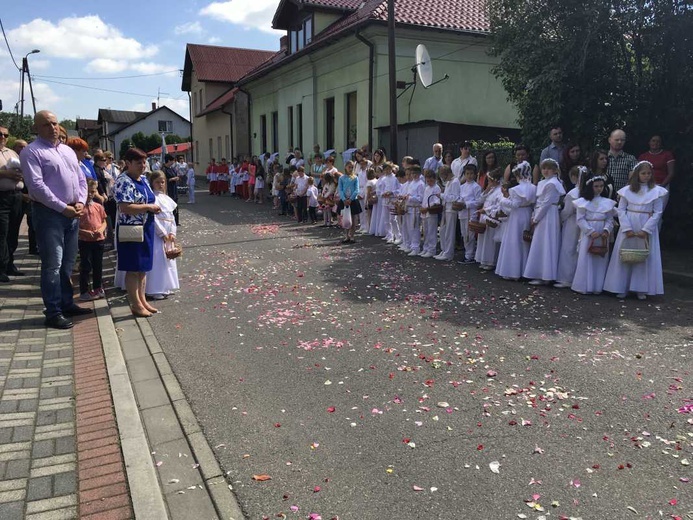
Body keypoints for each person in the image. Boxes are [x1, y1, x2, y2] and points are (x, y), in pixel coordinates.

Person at [20, 110, 91, 329]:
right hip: (49, 214)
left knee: (68, 263)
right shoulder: (32, 152)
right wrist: (62, 208)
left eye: (54, 123)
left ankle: (66, 303)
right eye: (46, 124)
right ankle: (52, 312)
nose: (52, 128)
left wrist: (80, 200)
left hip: (72, 213)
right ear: (36, 128)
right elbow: (37, 187)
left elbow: (81, 179)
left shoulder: (68, 151)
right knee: (53, 265)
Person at [603, 161, 667, 300]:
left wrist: (646, 229)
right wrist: (626, 227)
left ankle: (640, 288)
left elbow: (657, 212)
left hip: (646, 223)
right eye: (643, 173)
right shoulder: (628, 190)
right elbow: (621, 209)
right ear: (637, 174)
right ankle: (622, 286)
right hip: (629, 223)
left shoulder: (656, 191)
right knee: (625, 254)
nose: (646, 176)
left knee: (643, 255)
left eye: (649, 173)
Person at [114, 147, 161, 317]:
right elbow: (125, 207)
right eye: (138, 162)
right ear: (128, 163)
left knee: (142, 268)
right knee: (133, 268)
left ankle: (142, 300)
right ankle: (135, 304)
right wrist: (148, 207)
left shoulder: (143, 179)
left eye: (144, 162)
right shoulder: (124, 181)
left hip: (145, 227)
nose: (143, 165)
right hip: (131, 230)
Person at [571, 174, 617, 295]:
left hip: (602, 234)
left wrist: (607, 230)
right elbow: (580, 219)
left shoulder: (607, 202)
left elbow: (609, 219)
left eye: (601, 186)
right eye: (596, 186)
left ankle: (597, 286)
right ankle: (584, 285)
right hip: (589, 232)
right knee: (586, 257)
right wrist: (590, 231)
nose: (599, 189)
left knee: (600, 258)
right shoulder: (583, 202)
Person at [523, 158, 566, 285]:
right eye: (544, 168)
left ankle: (546, 275)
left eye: (549, 168)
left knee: (546, 242)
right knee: (540, 243)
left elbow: (547, 203)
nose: (546, 171)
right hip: (542, 213)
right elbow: (539, 202)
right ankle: (539, 273)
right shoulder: (544, 182)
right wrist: (534, 215)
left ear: (554, 170)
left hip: (548, 215)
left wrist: (536, 218)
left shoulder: (552, 183)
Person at [495, 161, 537, 281]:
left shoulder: (515, 190)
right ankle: (525, 270)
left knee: (514, 241)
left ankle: (513, 270)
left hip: (517, 216)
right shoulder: (534, 188)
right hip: (528, 213)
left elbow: (514, 205)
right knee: (525, 241)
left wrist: (502, 200)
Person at [145, 171, 179, 300]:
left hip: (168, 230)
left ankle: (166, 286)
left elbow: (171, 217)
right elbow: (153, 218)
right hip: (158, 232)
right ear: (152, 183)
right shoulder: (152, 198)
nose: (160, 184)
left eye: (162, 182)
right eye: (157, 182)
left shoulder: (166, 198)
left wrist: (172, 232)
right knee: (158, 259)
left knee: (168, 260)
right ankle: (154, 288)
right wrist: (162, 233)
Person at [0, 126, 25, 282]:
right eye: (0, 134)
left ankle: (10, 264)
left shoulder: (12, 152)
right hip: (1, 197)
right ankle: (1, 268)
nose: (3, 136)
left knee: (13, 232)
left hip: (16, 196)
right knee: (1, 233)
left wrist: (20, 175)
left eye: (5, 134)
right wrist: (5, 173)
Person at [554, 166, 585, 288]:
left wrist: (560, 219)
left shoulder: (572, 193)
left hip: (572, 222)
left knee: (568, 249)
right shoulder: (586, 191)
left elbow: (567, 211)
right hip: (582, 223)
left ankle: (566, 278)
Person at [78, 180, 107, 301]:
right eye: (88, 191)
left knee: (98, 265)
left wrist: (101, 229)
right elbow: (75, 226)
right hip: (85, 240)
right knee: (86, 265)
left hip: (98, 240)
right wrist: (85, 232)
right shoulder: (79, 207)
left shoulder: (98, 206)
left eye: (93, 192)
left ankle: (97, 287)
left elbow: (104, 221)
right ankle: (84, 290)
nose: (90, 194)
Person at [474, 168, 504, 270]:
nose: (489, 182)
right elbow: (480, 199)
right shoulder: (491, 189)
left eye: (490, 180)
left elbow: (498, 205)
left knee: (490, 239)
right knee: (483, 238)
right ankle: (483, 259)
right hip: (484, 216)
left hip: (491, 216)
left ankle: (490, 261)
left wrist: (486, 210)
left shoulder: (500, 190)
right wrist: (486, 190)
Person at [638, 135, 675, 212]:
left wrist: (661, 187)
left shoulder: (667, 155)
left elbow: (671, 173)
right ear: (649, 142)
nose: (656, 143)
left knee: (658, 213)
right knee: (645, 211)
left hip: (662, 186)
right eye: (653, 141)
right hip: (646, 187)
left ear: (661, 143)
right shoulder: (643, 156)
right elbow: (638, 173)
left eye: (658, 141)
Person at [457, 164, 483, 263]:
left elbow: (478, 202)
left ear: (475, 174)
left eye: (471, 173)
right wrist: (459, 203)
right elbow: (460, 197)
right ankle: (467, 252)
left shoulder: (476, 187)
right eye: (467, 173)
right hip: (462, 213)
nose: (469, 176)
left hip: (470, 213)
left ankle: (470, 255)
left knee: (470, 235)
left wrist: (466, 204)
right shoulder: (462, 186)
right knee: (464, 234)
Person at [435, 165, 460, 261]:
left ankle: (449, 253)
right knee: (442, 230)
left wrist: (441, 196)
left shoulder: (455, 181)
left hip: (451, 210)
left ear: (446, 173)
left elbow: (455, 197)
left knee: (449, 232)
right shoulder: (449, 182)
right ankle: (444, 249)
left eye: (442, 175)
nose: (442, 177)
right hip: (446, 209)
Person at [337, 160, 361, 243]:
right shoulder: (341, 178)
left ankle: (352, 236)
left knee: (353, 219)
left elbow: (357, 189)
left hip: (353, 200)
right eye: (349, 167)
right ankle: (346, 235)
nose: (350, 169)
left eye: (352, 167)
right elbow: (340, 189)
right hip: (344, 200)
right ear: (345, 167)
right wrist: (344, 199)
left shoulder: (355, 178)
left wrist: (351, 199)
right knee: (345, 218)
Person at [403, 164, 425, 256]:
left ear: (419, 173)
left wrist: (410, 198)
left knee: (415, 228)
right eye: (412, 173)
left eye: (416, 173)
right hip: (409, 208)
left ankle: (416, 247)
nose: (414, 175)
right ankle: (412, 245)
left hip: (415, 208)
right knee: (409, 228)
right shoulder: (412, 183)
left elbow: (420, 198)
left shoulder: (420, 184)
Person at [420, 170, 441, 258]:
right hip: (425, 211)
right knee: (425, 231)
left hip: (431, 212)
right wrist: (422, 207)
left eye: (431, 181)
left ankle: (431, 249)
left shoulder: (436, 188)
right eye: (427, 181)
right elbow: (424, 199)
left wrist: (427, 207)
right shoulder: (427, 188)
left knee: (432, 231)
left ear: (435, 179)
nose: (429, 182)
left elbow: (437, 201)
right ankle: (426, 248)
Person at [162, 154, 180, 225]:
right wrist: (171, 179)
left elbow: (175, 174)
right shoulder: (164, 169)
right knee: (169, 205)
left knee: (175, 204)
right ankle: (170, 220)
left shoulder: (172, 168)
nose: (173, 162)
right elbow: (163, 180)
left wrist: (176, 178)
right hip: (168, 189)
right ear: (168, 160)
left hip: (174, 188)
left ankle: (176, 221)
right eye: (172, 161)